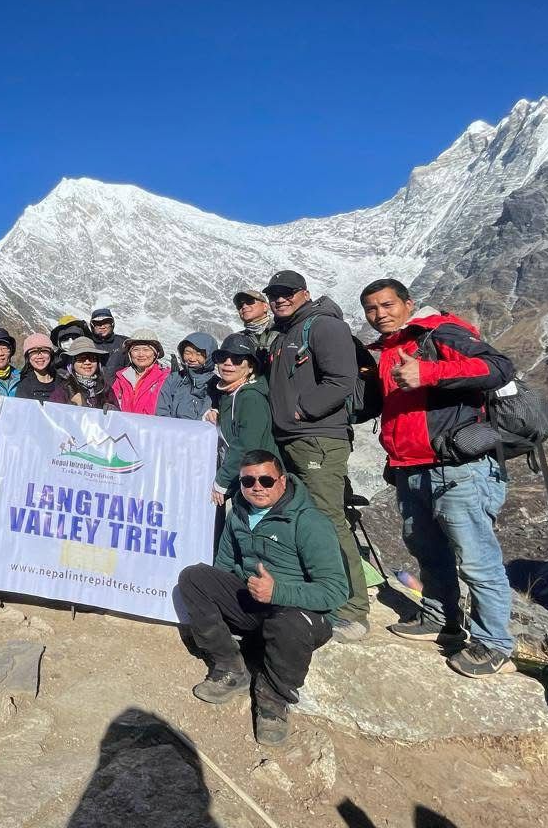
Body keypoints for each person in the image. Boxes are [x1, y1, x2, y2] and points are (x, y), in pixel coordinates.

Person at [361, 278, 517, 677]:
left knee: (476, 557)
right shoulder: (387, 350)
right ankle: (441, 618)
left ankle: (493, 643)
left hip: (458, 467)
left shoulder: (441, 332)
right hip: (410, 467)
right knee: (427, 549)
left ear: (408, 303)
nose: (379, 314)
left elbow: (499, 367)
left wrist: (429, 372)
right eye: (371, 309)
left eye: (387, 305)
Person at [177, 450, 345, 746]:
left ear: (281, 481)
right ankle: (230, 667)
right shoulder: (238, 514)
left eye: (266, 480)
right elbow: (224, 566)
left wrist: (278, 591)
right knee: (194, 577)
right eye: (248, 481)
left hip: (300, 613)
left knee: (288, 624)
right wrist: (225, 600)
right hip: (255, 603)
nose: (257, 486)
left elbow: (335, 590)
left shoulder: (309, 522)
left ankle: (272, 701)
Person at [262, 269, 369, 642]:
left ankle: (352, 609)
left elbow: (342, 379)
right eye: (273, 293)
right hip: (292, 438)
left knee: (327, 520)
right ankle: (316, 593)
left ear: (304, 293)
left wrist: (303, 410)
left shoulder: (323, 326)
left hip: (318, 438)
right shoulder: (285, 332)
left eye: (287, 292)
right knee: (301, 520)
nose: (279, 298)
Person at [205, 334, 277, 508]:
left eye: (237, 359)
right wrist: (215, 414)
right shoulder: (229, 394)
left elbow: (246, 445)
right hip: (243, 476)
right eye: (223, 358)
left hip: (259, 482)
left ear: (250, 367)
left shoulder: (251, 398)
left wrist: (221, 481)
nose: (228, 363)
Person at [157, 332, 219, 420]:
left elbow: (205, 417)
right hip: (169, 430)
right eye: (187, 352)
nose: (192, 358)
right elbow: (162, 411)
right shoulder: (174, 378)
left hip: (197, 432)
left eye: (199, 354)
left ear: (209, 356)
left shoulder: (215, 384)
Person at [50, 337, 119, 410]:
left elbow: (120, 418)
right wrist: (71, 407)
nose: (87, 362)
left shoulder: (105, 389)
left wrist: (114, 410)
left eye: (92, 358)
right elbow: (53, 416)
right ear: (72, 364)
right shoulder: (63, 391)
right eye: (81, 359)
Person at [110, 329, 169, 415]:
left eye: (146, 350)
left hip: (153, 427)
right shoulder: (121, 377)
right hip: (124, 426)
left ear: (155, 354)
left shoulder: (166, 377)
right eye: (136, 350)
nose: (141, 354)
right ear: (130, 354)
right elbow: (112, 401)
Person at [233, 289, 278, 365]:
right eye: (239, 306)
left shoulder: (281, 330)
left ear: (265, 306)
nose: (244, 306)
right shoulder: (237, 339)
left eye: (249, 301)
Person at [16, 333, 58, 402]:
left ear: (51, 354)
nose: (39, 356)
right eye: (34, 352)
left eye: (44, 350)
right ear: (27, 357)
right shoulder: (24, 386)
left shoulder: (63, 383)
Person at [89, 307, 128, 377]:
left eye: (106, 322)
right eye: (98, 323)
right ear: (92, 326)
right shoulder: (86, 343)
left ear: (112, 324)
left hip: (119, 386)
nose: (102, 326)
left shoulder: (124, 342)